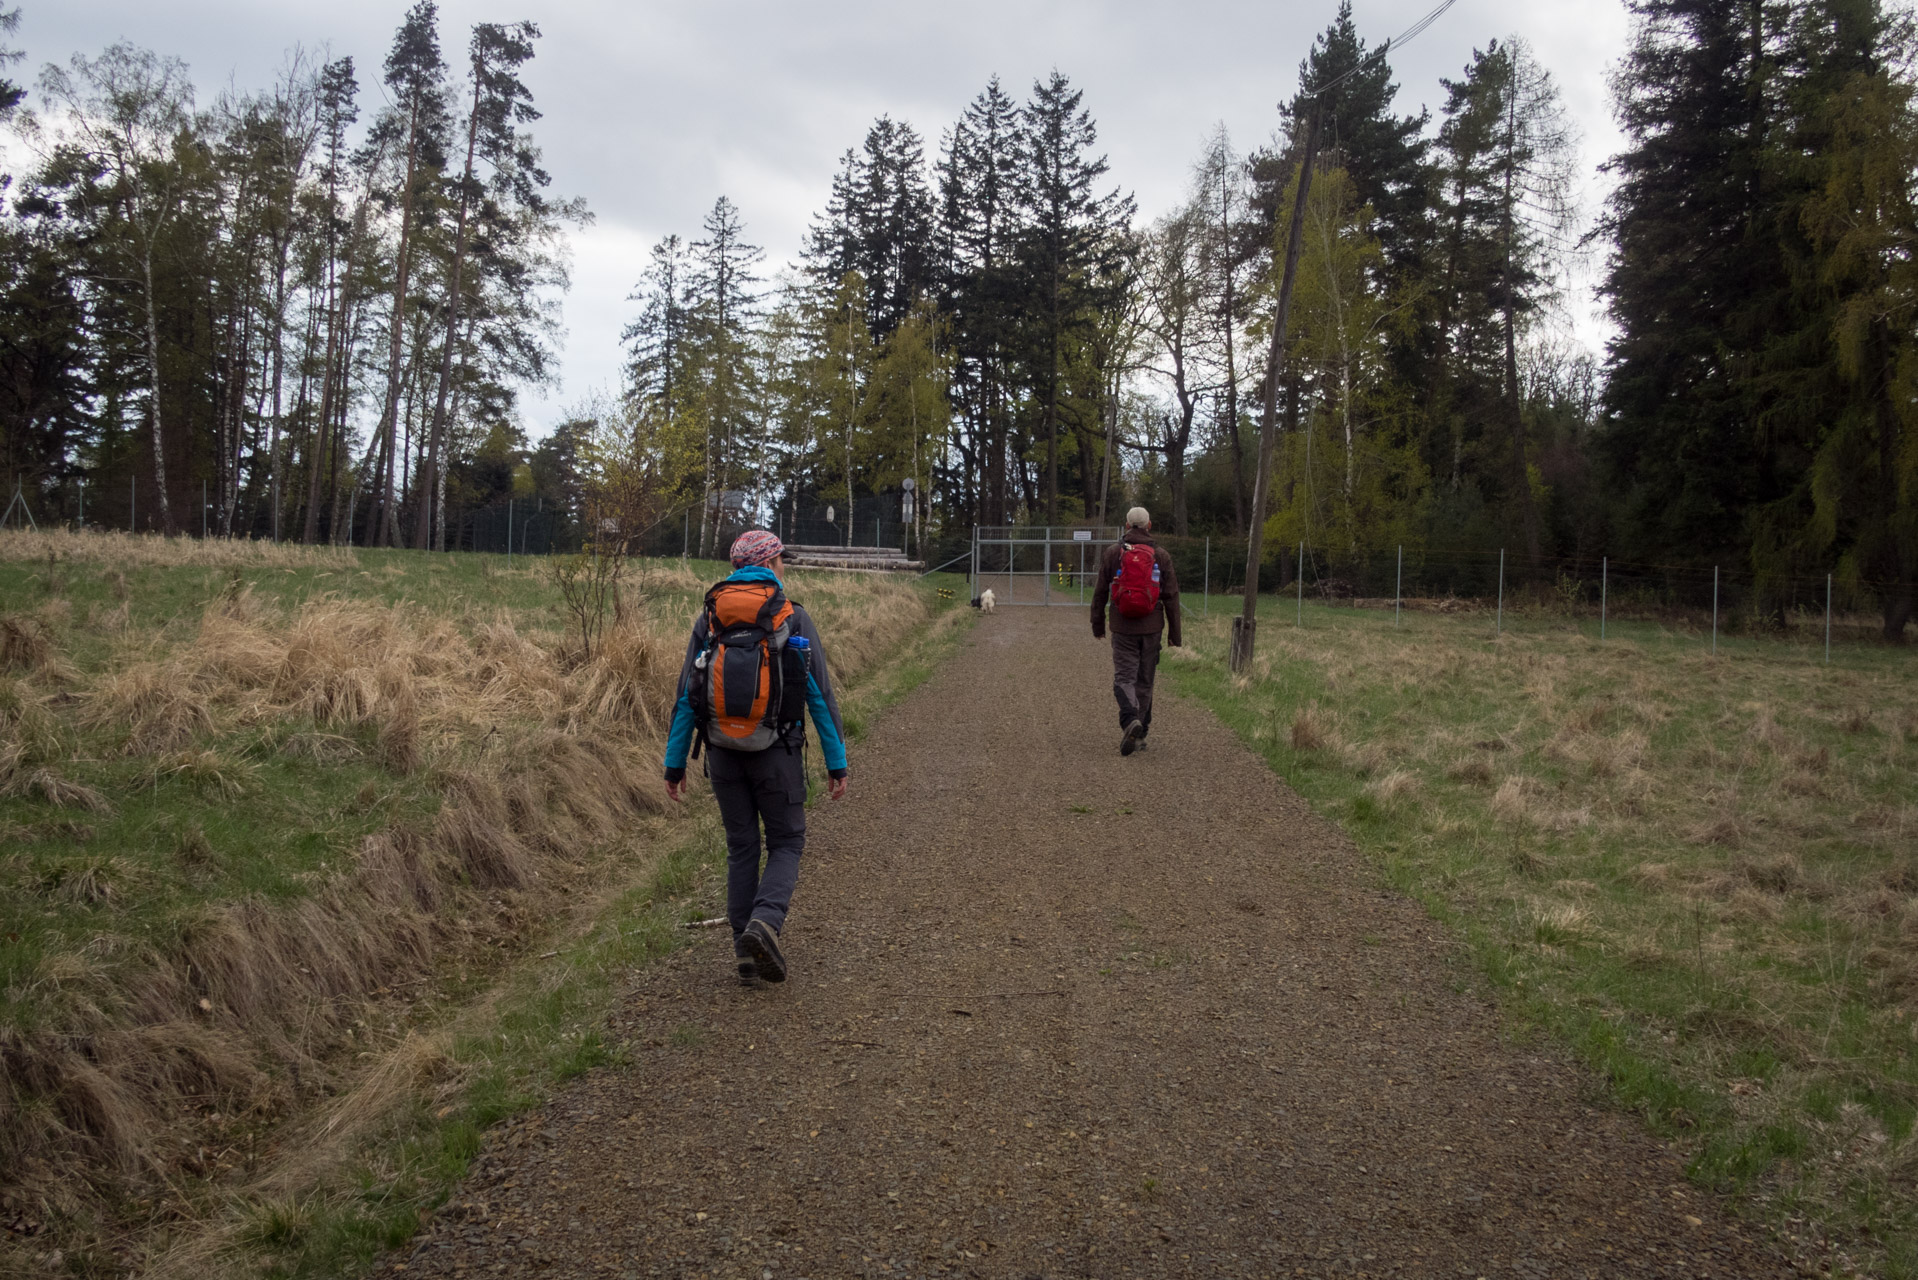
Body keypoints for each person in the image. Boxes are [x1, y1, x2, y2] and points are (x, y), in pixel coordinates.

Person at [663, 530, 849, 985]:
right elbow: (818, 696)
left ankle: (745, 954)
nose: (784, 565)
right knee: (786, 842)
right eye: (781, 559)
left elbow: (688, 696)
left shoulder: (712, 616)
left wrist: (674, 763)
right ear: (770, 564)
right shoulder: (792, 617)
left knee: (741, 846)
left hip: (722, 754)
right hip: (778, 753)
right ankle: (764, 924)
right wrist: (836, 761)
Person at [1090, 507, 1181, 756]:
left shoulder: (1112, 554)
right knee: (1145, 680)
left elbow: (1100, 593)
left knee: (1124, 677)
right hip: (1152, 628)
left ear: (1126, 525)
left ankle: (1130, 719)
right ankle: (1141, 731)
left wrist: (1097, 625)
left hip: (1122, 627)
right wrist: (1175, 634)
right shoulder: (1161, 555)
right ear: (1149, 525)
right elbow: (1171, 596)